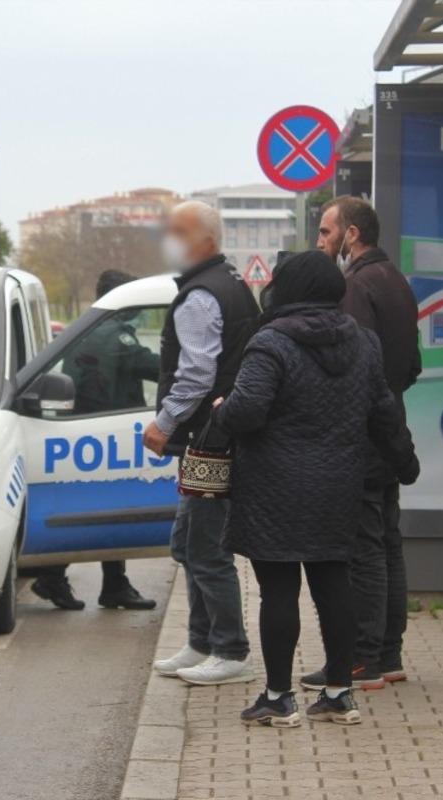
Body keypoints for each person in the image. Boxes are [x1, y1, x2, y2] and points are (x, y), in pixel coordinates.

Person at [213, 250, 419, 727]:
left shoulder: (272, 343)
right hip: (339, 485)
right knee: (333, 585)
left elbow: (247, 411)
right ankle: (339, 693)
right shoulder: (365, 344)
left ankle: (279, 698)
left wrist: (221, 409)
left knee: (279, 591)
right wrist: (405, 464)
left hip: (273, 490)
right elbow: (384, 413)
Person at [306, 196, 421, 691]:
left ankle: (362, 658)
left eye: (327, 232)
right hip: (391, 425)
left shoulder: (355, 285)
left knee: (364, 547)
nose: (320, 241)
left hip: (364, 434)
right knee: (387, 541)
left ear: (352, 235)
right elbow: (410, 366)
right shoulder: (395, 279)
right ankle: (389, 652)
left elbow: (354, 365)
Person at [147, 201, 259, 686]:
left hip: (210, 438)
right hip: (212, 437)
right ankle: (200, 642)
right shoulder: (231, 283)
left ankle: (230, 650)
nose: (168, 240)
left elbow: (196, 374)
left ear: (204, 241)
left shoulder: (200, 297)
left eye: (178, 232)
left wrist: (164, 423)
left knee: (206, 547)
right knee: (188, 542)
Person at [31, 269, 158, 612]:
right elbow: (155, 367)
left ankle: (111, 584)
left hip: (85, 429)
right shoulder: (117, 336)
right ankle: (56, 576)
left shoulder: (90, 330)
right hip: (109, 433)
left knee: (103, 508)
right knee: (108, 509)